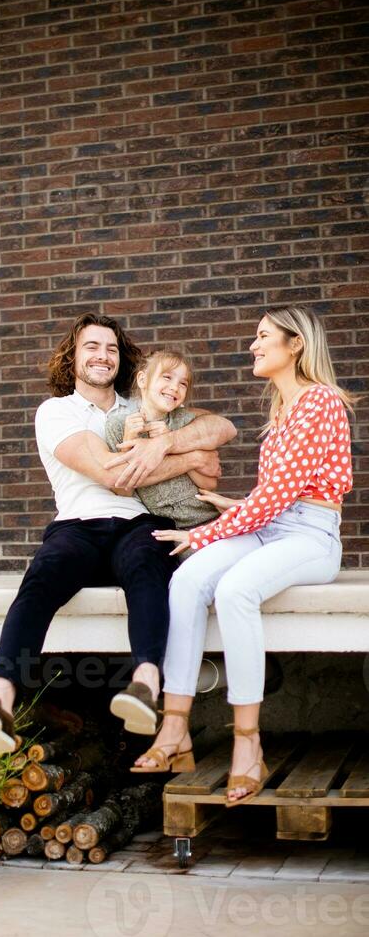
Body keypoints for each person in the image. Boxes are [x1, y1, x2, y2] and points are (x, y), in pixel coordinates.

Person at [0, 311, 236, 752]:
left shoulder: (144, 404)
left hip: (137, 524)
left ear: (122, 361)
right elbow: (111, 474)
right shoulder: (56, 411)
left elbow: (221, 429)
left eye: (111, 348)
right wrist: (187, 458)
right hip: (77, 527)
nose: (102, 356)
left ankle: (145, 687)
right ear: (73, 357)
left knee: (149, 564)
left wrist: (164, 442)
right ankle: (0, 701)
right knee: (42, 578)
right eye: (92, 346)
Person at [134, 306, 354, 807]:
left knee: (235, 591)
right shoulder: (281, 406)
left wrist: (210, 531)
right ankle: (175, 730)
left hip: (312, 539)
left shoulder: (318, 401)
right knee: (186, 582)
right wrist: (237, 508)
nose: (253, 346)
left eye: (262, 337)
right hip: (271, 527)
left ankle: (248, 745)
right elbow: (277, 494)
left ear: (294, 344)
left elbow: (286, 497)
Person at [104, 350, 220, 542]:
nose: (175, 387)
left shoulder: (185, 423)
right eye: (167, 377)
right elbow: (123, 490)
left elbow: (210, 484)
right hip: (166, 528)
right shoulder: (118, 425)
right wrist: (128, 441)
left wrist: (172, 444)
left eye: (183, 383)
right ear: (142, 380)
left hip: (207, 518)